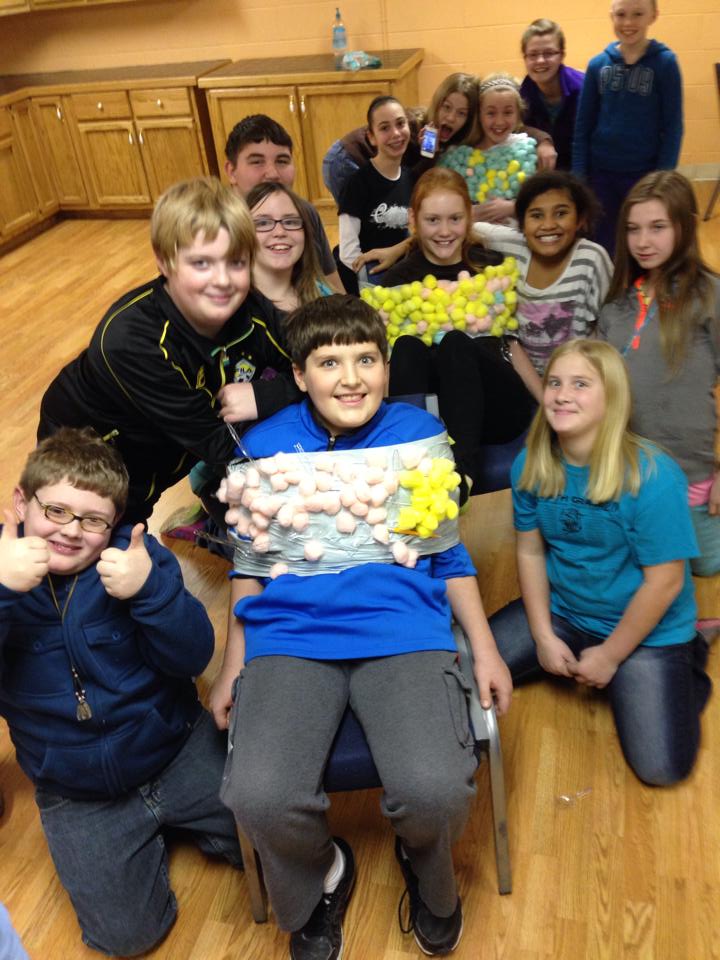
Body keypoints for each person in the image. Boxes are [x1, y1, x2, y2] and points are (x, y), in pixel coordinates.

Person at [210, 295, 512, 960]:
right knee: (258, 796)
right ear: (299, 375)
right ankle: (323, 870)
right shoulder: (261, 447)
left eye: (366, 360)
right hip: (291, 638)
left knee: (436, 789)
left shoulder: (418, 436)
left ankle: (427, 870)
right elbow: (249, 567)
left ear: (385, 366)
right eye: (329, 363)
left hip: (402, 631)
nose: (351, 379)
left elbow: (448, 554)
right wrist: (233, 666)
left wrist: (486, 649)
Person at [0, 428, 241, 956]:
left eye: (93, 520)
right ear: (21, 502)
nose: (70, 531)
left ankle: (176, 824)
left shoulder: (136, 556)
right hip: (77, 788)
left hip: (174, 748)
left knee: (274, 835)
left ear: (113, 524)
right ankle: (153, 835)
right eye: (55, 510)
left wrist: (150, 592)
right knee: (127, 937)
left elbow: (193, 655)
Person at [490, 339, 711, 786]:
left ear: (612, 397)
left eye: (580, 384)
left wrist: (610, 656)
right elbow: (530, 551)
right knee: (464, 665)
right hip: (567, 611)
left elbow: (665, 583)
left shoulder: (653, 475)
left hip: (648, 630)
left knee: (661, 769)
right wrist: (543, 637)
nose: (561, 395)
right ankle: (582, 655)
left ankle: (692, 652)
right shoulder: (531, 464)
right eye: (554, 383)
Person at [38, 177, 297, 524]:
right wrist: (280, 397)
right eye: (201, 263)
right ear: (164, 262)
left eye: (236, 262)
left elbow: (317, 364)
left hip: (164, 452)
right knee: (95, 541)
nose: (223, 280)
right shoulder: (130, 341)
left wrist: (266, 395)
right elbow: (218, 444)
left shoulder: (250, 309)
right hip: (87, 466)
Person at [598, 171, 720, 587]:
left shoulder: (710, 295)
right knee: (642, 568)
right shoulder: (615, 305)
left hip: (692, 473)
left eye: (657, 227)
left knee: (705, 567)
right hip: (627, 476)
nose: (643, 241)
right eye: (633, 229)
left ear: (684, 226)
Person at [383, 167, 535, 486]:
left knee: (455, 342)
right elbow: (387, 362)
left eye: (455, 218)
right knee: (407, 345)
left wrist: (547, 403)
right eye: (432, 220)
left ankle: (461, 478)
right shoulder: (397, 280)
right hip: (434, 413)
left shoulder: (490, 265)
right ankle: (404, 464)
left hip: (496, 407)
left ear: (469, 217)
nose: (445, 231)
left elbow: (512, 344)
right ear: (414, 220)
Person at [472, 170, 613, 402]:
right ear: (521, 223)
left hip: (580, 389)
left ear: (580, 219)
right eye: (536, 215)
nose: (548, 225)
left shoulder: (591, 259)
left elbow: (608, 335)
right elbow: (459, 225)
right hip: (525, 386)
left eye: (561, 213)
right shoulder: (511, 246)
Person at [571, 0, 683, 254]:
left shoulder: (665, 64)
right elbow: (582, 128)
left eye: (638, 14)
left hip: (644, 176)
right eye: (621, 14)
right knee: (605, 245)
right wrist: (579, 179)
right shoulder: (597, 65)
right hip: (601, 177)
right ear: (611, 15)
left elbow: (673, 127)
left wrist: (662, 180)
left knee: (642, 244)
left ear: (653, 16)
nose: (628, 22)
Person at [224, 114, 344, 293]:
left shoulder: (304, 213)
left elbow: (332, 285)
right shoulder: (214, 227)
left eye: (282, 161)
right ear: (231, 171)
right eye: (257, 162)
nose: (272, 174)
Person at [322, 73, 478, 206]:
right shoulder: (417, 130)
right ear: (437, 104)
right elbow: (406, 186)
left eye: (461, 113)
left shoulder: (455, 145)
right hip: (346, 159)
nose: (451, 118)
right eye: (446, 107)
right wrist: (429, 155)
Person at [440, 73, 550, 225]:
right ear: (479, 114)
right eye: (491, 113)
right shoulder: (457, 157)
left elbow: (545, 202)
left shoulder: (530, 153)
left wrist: (513, 208)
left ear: (518, 114)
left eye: (508, 112)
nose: (499, 121)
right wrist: (466, 214)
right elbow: (439, 204)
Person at [338, 96, 414, 288]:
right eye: (384, 128)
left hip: (400, 274)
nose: (396, 133)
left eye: (400, 123)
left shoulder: (411, 177)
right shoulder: (358, 183)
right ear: (371, 137)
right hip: (371, 280)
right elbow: (348, 251)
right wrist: (372, 284)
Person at [247, 181, 331, 313]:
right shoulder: (233, 307)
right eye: (263, 223)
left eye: (290, 222)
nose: (280, 232)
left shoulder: (323, 295)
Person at [520, 19, 585, 170]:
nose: (540, 61)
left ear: (562, 55)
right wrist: (542, 139)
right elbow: (516, 128)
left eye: (549, 53)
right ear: (525, 58)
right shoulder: (524, 93)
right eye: (533, 54)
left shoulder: (583, 89)